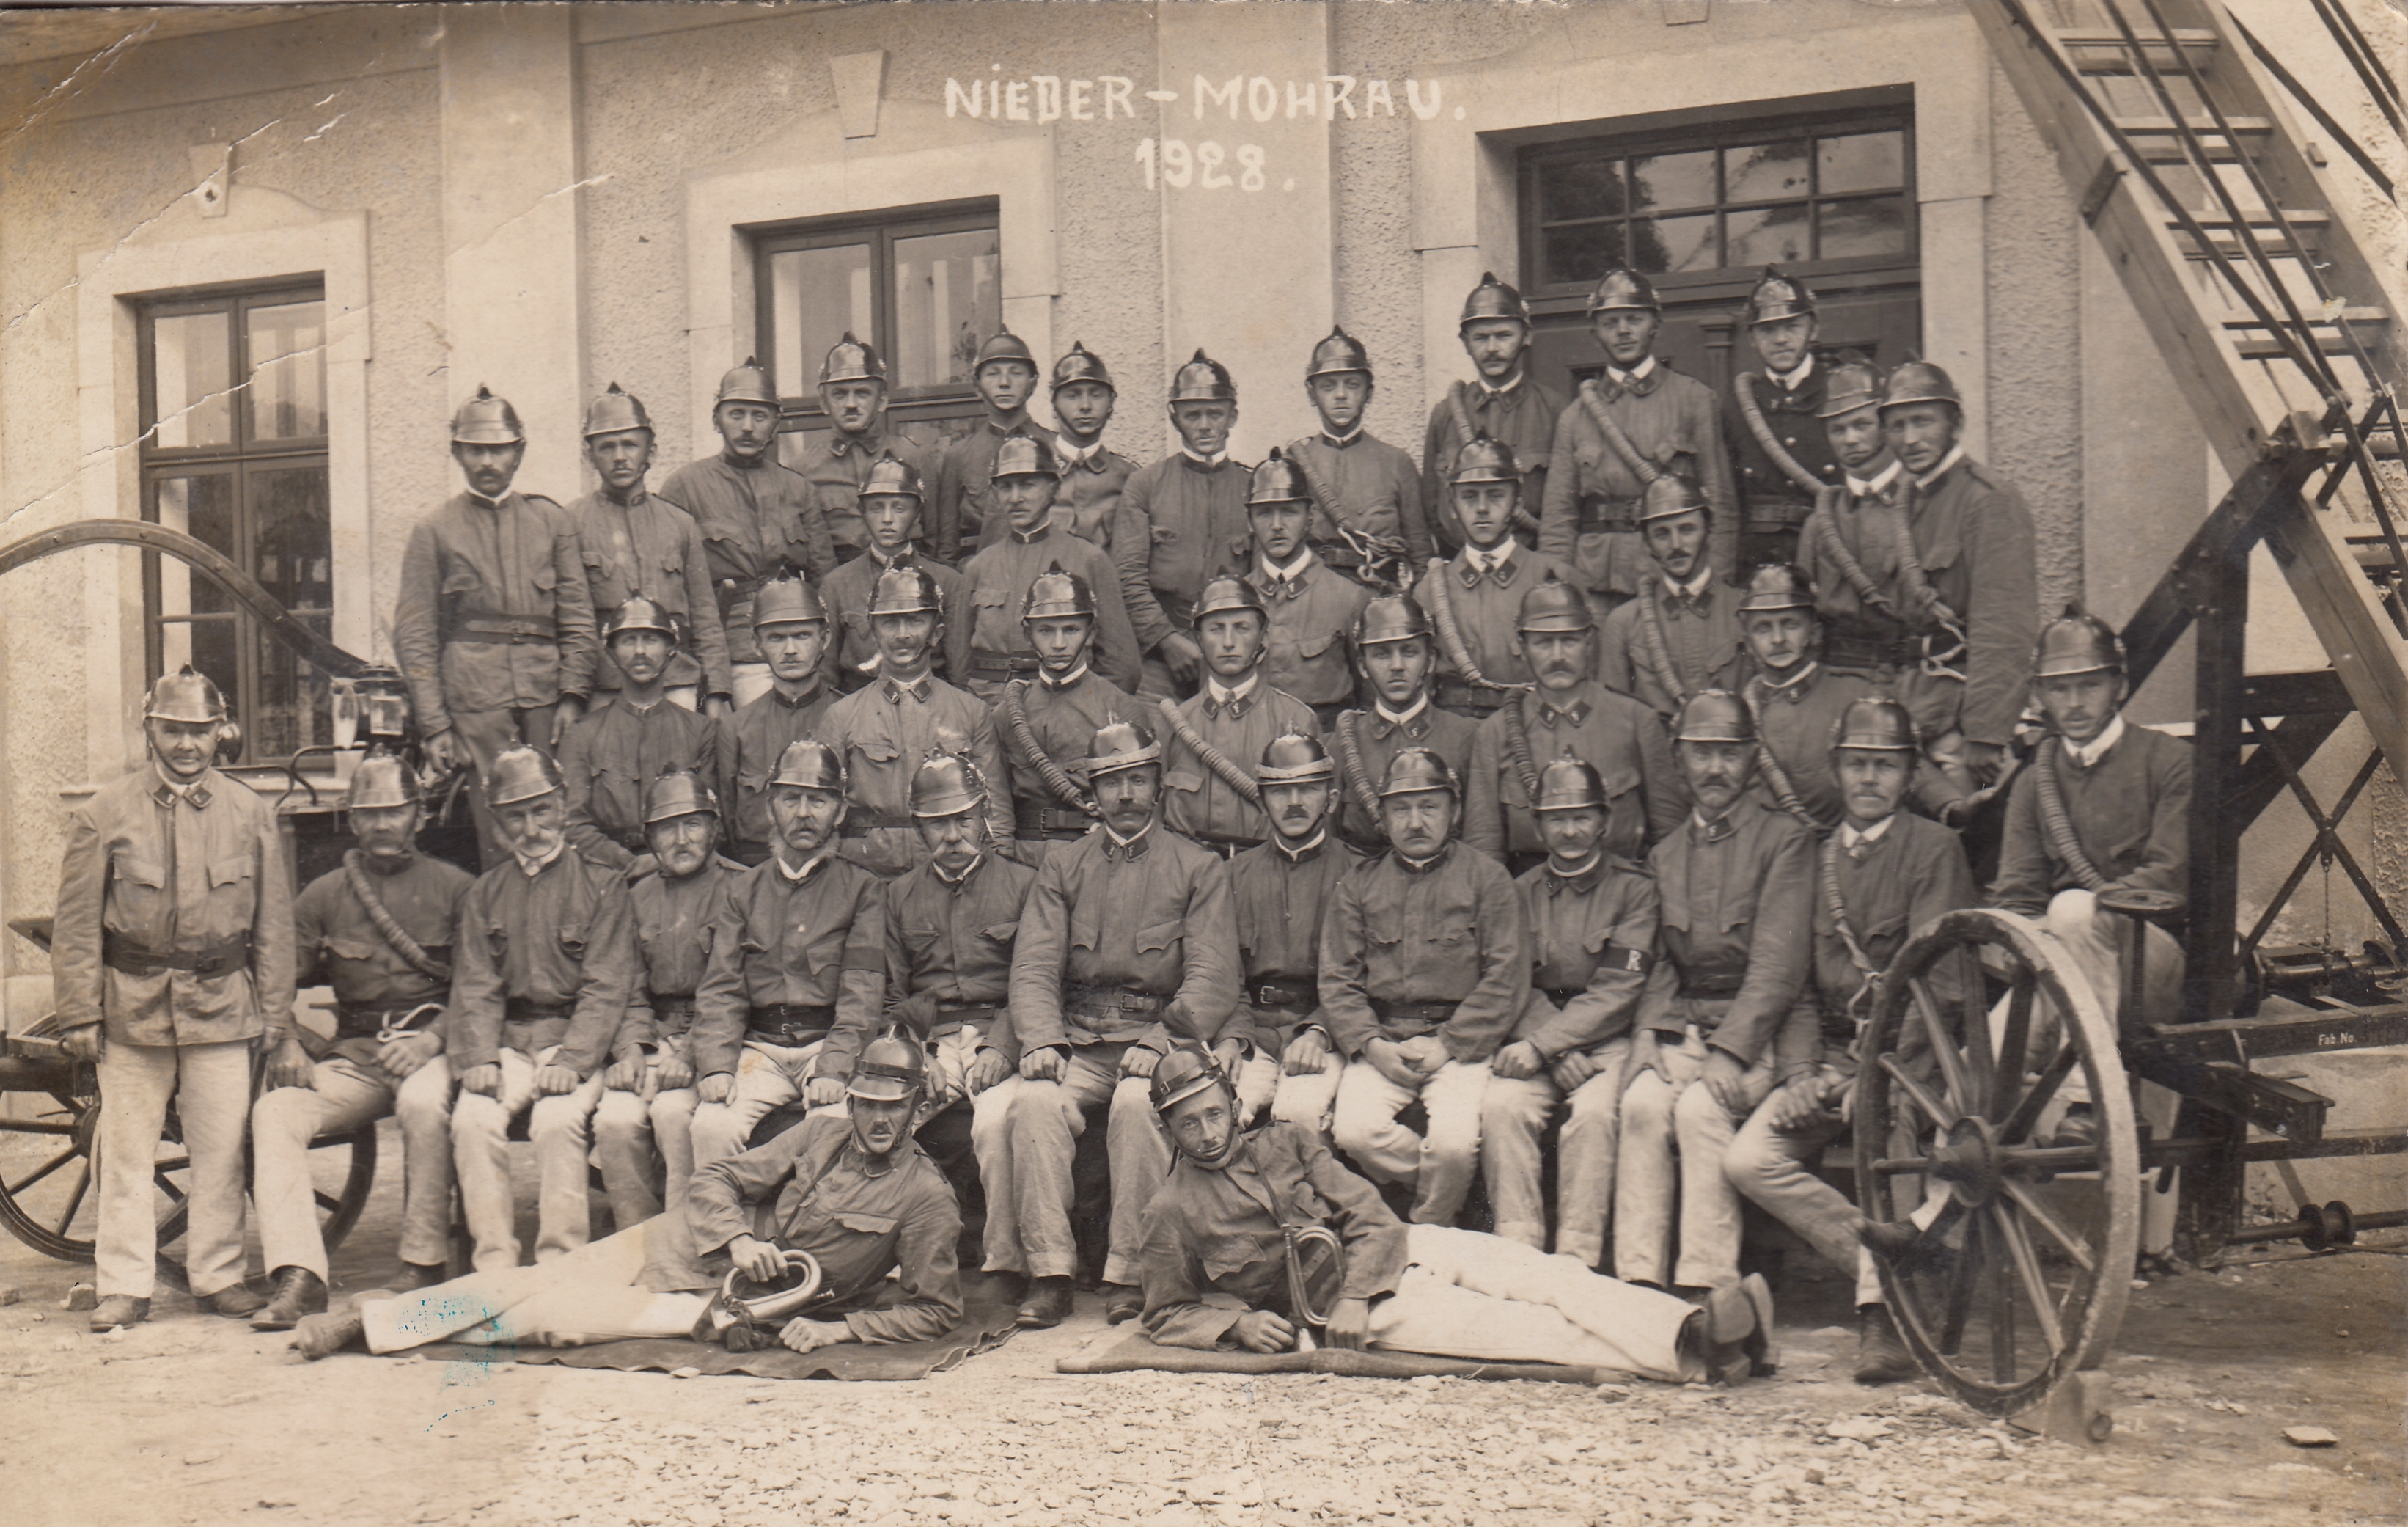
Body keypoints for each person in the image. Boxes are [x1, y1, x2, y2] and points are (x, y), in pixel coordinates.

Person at [294, 1033, 961, 1360]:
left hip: (736, 1304)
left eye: (894, 1106)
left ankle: (383, 1323)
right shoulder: (821, 1132)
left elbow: (937, 1310)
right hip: (696, 1242)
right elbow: (717, 1179)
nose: (879, 1119)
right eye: (868, 1103)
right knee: (538, 1276)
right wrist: (737, 1238)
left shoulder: (927, 1197)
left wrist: (838, 1327)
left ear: (916, 1109)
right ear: (852, 1099)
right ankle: (373, 1323)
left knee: (550, 1318)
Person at [1135, 1049, 1767, 1383]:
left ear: (1235, 1103)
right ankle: (1694, 1349)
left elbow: (1369, 1212)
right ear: (1167, 1131)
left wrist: (1358, 1290)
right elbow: (1165, 1312)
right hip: (1342, 1313)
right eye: (1188, 1124)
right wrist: (1241, 1325)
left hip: (1397, 1249)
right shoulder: (1169, 1210)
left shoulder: (1288, 1141)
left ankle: (1693, 1319)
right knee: (1522, 1329)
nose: (1208, 1133)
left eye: (1214, 1113)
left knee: (1544, 1274)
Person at [1724, 695, 1974, 1385]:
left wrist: (1876, 1073)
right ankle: (1912, 1263)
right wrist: (1803, 1072)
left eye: (1885, 766)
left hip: (1913, 1056)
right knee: (1749, 1160)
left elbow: (1939, 985)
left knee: (1884, 1126)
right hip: (1832, 1055)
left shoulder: (1935, 849)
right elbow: (1798, 983)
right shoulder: (1814, 857)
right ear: (1835, 770)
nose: (1869, 778)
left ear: (1910, 775)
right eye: (1857, 764)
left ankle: (1882, 1317)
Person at [54, 667, 296, 1330]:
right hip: (132, 1010)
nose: (187, 745)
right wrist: (79, 1012)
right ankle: (124, 1285)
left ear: (221, 733)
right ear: (149, 731)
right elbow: (76, 925)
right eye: (173, 730)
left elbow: (274, 925)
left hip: (222, 1007)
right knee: (126, 1154)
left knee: (221, 1152)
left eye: (200, 731)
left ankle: (218, 1276)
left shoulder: (250, 814)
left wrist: (277, 1016)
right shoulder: (106, 813)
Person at [997, 721, 1241, 1328]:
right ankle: (1050, 1273)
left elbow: (1212, 976)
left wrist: (1162, 1042)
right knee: (1033, 1105)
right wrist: (1042, 1039)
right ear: (1093, 791)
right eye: (1111, 783)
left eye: (1137, 780)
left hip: (1159, 1042)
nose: (1126, 795)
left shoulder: (1197, 866)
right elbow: (1034, 966)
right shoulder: (1064, 866)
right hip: (1079, 1041)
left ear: (1158, 785)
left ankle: (1131, 1273)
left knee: (1137, 1107)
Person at [249, 749, 470, 1328]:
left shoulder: (457, 889)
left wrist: (432, 1041)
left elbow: (481, 985)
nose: (383, 824)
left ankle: (422, 1264)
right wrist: (287, 1040)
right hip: (359, 1057)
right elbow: (275, 976)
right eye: (370, 813)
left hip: (434, 1053)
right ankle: (300, 1277)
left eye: (395, 811)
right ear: (351, 820)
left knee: (423, 1103)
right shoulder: (324, 895)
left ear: (420, 814)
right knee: (276, 1112)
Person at [1614, 692, 1814, 1297]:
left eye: (1729, 754)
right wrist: (1647, 1032)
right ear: (1680, 761)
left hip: (1759, 1035)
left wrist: (1730, 1051)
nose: (1715, 769)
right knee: (1641, 1104)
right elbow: (1658, 960)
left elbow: (1778, 968)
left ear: (1752, 758)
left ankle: (1709, 1289)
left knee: (1702, 1110)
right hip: (1683, 1027)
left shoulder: (1784, 840)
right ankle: (1639, 1284)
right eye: (1701, 754)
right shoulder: (1666, 854)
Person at [447, 746, 640, 1273]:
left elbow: (606, 986)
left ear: (563, 804)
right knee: (471, 1119)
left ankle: (562, 1266)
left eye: (541, 810)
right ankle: (494, 1269)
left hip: (572, 1041)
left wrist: (573, 1062)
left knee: (557, 1121)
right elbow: (475, 985)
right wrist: (480, 1058)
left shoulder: (603, 885)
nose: (531, 828)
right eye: (516, 816)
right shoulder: (485, 893)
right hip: (510, 1043)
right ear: (497, 822)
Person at [392, 386, 598, 867]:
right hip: (476, 702)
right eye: (475, 450)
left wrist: (573, 695)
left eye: (499, 449)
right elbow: (415, 634)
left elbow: (577, 617)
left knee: (561, 816)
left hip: (547, 697)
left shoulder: (552, 522)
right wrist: (436, 724)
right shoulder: (434, 530)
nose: (487, 461)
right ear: (457, 453)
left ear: (519, 452)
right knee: (501, 830)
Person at [1322, 748, 1529, 1228]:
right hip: (1384, 1039)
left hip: (1460, 1045)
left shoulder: (1488, 880)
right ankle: (1452, 1195)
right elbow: (1338, 979)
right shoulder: (1358, 885)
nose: (1415, 822)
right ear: (1384, 817)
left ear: (1454, 811)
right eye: (1401, 809)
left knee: (1454, 1145)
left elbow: (1506, 978)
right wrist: (1372, 1046)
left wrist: (1448, 1045)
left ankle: (1429, 1230)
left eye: (1429, 807)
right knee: (1354, 1132)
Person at [1478, 752, 1659, 1264]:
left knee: (1595, 1115)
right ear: (1538, 827)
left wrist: (1547, 1046)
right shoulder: (1517, 893)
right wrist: (1549, 1050)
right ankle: (1518, 1254)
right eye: (1557, 819)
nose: (1571, 830)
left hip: (1608, 1041)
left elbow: (1621, 986)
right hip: (1534, 1036)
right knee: (1502, 1108)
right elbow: (1508, 980)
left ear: (1605, 821)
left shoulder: (1634, 890)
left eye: (1582, 817)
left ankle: (1577, 1259)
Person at [1989, 609, 2189, 1062]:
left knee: (2074, 909)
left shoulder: (2169, 761)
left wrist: (2082, 917)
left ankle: (2084, 1087)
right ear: (2040, 695)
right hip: (2067, 965)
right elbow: (2019, 893)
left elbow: (2169, 876)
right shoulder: (2033, 782)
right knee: (1982, 1065)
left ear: (2120, 686)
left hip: (2151, 960)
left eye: (2091, 686)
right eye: (2059, 689)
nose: (2075, 703)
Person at [688, 739, 889, 1170]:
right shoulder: (743, 891)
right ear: (770, 808)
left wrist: (834, 1067)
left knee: (834, 1125)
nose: (803, 813)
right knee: (711, 1126)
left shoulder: (863, 890)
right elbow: (721, 989)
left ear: (840, 811)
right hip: (759, 1051)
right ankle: (722, 1217)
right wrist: (717, 1066)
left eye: (818, 801)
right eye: (791, 799)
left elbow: (863, 995)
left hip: (826, 1044)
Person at [1862, 361, 2038, 800]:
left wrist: (1986, 732)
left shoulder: (1987, 500)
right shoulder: (1904, 502)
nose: (1910, 439)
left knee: (1969, 828)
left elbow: (2004, 628)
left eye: (1923, 421)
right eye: (1897, 425)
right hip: (1913, 711)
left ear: (1955, 424)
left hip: (1963, 722)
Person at [592, 772, 743, 1231]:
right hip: (655, 1037)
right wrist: (631, 1049)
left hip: (718, 1039)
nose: (681, 840)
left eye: (693, 825)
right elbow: (626, 986)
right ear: (650, 839)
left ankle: (682, 1239)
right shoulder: (636, 895)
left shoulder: (741, 888)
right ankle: (635, 1238)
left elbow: (735, 988)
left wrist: (692, 1052)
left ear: (714, 828)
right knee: (615, 1120)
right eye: (667, 828)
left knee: (673, 1113)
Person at [1540, 268, 1736, 620]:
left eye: (1634, 319)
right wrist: (1561, 594)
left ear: (1655, 324)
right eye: (1610, 322)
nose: (1623, 331)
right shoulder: (1575, 417)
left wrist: (1714, 586)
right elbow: (1558, 519)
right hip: (1596, 584)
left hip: (1673, 579)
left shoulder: (1694, 400)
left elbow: (1720, 503)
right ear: (1595, 332)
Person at [1464, 571, 1683, 876]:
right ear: (1522, 647)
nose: (1558, 656)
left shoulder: (1636, 720)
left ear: (1589, 642)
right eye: (1543, 643)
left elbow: (1670, 839)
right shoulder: (1495, 732)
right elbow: (1484, 849)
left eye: (1569, 641)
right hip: (1529, 892)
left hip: (1620, 888)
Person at [658, 356, 837, 707]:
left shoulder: (798, 489)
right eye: (736, 414)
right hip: (731, 648)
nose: (747, 427)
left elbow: (824, 582)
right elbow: (672, 590)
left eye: (760, 416)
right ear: (716, 420)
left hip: (795, 642)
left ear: (776, 424)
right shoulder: (684, 487)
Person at [819, 564, 1013, 881]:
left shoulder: (972, 711)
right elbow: (823, 814)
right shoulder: (841, 716)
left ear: (937, 633)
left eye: (915, 620)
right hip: (868, 877)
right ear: (873, 632)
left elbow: (997, 813)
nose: (903, 635)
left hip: (950, 876)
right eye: (890, 622)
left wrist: (996, 878)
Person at [883, 751, 1035, 1131]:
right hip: (932, 1043)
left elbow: (1036, 982)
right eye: (937, 824)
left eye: (964, 820)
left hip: (1000, 1034)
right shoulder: (899, 895)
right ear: (918, 828)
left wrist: (1002, 1047)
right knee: (889, 1119)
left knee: (997, 1123)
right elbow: (891, 995)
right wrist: (915, 1053)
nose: (952, 836)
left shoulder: (1024, 886)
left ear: (985, 816)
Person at [1226, 735, 1366, 1135]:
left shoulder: (1360, 874)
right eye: (1279, 791)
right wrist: (1234, 1037)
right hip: (1250, 1032)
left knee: (1298, 1115)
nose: (1294, 802)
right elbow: (1222, 973)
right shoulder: (1232, 875)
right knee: (1216, 1113)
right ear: (1261, 802)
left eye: (1307, 789)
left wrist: (1320, 1032)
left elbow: (1369, 975)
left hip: (1322, 1031)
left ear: (1331, 799)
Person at [569, 382, 733, 714]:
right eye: (606, 447)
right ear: (589, 455)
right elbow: (571, 622)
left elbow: (705, 618)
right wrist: (573, 694)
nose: (619, 457)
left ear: (651, 452)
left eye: (630, 445)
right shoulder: (571, 524)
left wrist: (716, 692)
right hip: (606, 685)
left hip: (677, 682)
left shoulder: (680, 524)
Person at [946, 432, 1143, 698]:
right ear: (995, 494)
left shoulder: (1090, 559)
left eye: (1027, 485)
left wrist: (1089, 709)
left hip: (1065, 700)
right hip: (990, 704)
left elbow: (1122, 666)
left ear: (1054, 489)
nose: (1015, 498)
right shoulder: (979, 567)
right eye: (1006, 487)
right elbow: (960, 665)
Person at [1112, 349, 1252, 700]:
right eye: (1192, 415)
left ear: (1232, 416)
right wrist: (1167, 640)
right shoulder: (1146, 485)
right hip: (1161, 657)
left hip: (1238, 650)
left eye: (1214, 414)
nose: (1204, 425)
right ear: (1175, 419)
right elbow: (1128, 577)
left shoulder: (1253, 488)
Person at [557, 597, 727, 872]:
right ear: (611, 652)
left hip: (684, 870)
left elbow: (714, 819)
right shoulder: (582, 734)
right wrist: (627, 863)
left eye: (650, 640)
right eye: (628, 641)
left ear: (671, 649)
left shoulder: (700, 731)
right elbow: (572, 822)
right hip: (607, 872)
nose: (640, 651)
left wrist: (663, 861)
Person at [1156, 576, 1321, 856]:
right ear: (1198, 639)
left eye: (1242, 628)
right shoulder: (1173, 722)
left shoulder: (1296, 721)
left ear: (1263, 637)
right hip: (1187, 872)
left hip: (1265, 870)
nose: (1229, 642)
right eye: (1216, 629)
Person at [1420, 433, 1579, 719]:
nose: (1482, 508)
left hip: (1533, 725)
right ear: (1452, 506)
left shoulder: (1554, 579)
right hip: (1459, 727)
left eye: (1495, 495)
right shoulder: (1430, 590)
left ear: (1517, 501)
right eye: (1469, 496)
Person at [991, 565, 1142, 863]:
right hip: (1025, 858)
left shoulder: (1121, 708)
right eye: (1046, 630)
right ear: (1028, 634)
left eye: (1071, 629)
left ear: (1091, 632)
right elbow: (998, 803)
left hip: (1096, 857)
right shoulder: (1007, 713)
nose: (1058, 644)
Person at [1421, 273, 1563, 557]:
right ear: (1465, 342)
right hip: (1463, 565)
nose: (1492, 348)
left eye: (1504, 335)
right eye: (1481, 338)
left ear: (1526, 336)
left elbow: (1565, 510)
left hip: (1532, 566)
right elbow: (1431, 504)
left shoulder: (1555, 411)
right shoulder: (1446, 415)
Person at [1326, 594, 1479, 856]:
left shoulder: (1465, 737)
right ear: (1362, 666)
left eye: (1409, 652)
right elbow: (1331, 844)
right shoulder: (1343, 743)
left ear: (1430, 661)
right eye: (1382, 655)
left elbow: (1480, 837)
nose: (1397, 666)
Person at [1733, 563, 1881, 835]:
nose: (1778, 639)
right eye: (1763, 628)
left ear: (1814, 632)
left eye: (1790, 624)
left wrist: (1950, 805)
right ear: (1749, 642)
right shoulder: (1740, 712)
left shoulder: (1855, 695)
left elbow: (1903, 764)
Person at [1282, 326, 1432, 584]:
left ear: (1369, 393)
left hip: (1378, 592)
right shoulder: (1294, 463)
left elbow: (1419, 550)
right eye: (1328, 386)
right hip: (1315, 590)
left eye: (1352, 385)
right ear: (1312, 394)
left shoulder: (1396, 462)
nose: (1341, 395)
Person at [1596, 475, 1750, 720]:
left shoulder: (1745, 611)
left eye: (1687, 530)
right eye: (1662, 534)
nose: (1676, 545)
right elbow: (1614, 721)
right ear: (1647, 543)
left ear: (1708, 532)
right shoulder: (1623, 623)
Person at [816, 453, 966, 692]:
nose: (887, 519)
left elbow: (959, 674)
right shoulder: (837, 584)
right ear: (862, 512)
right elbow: (827, 677)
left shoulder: (948, 581)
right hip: (858, 703)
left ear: (917, 513)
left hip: (930, 700)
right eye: (876, 508)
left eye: (899, 508)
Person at [1242, 449, 1370, 728]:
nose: (1277, 526)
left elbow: (1369, 699)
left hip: (1327, 742)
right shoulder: (1240, 599)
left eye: (1289, 512)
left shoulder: (1349, 598)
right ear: (1249, 521)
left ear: (1310, 516)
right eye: (1264, 514)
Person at [1725, 269, 1843, 570]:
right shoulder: (1738, 406)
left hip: (1831, 554)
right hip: (1762, 561)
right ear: (1751, 338)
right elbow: (1728, 499)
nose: (1780, 339)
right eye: (1767, 330)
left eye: (1792, 327)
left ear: (1813, 329)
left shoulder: (1841, 389)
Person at [719, 573, 838, 866]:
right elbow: (726, 822)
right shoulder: (736, 728)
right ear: (756, 645)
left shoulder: (847, 716)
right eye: (776, 638)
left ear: (824, 639)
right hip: (755, 869)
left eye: (802, 635)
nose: (790, 650)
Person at [790, 333, 934, 567]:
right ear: (824, 403)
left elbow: (934, 537)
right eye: (840, 394)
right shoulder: (803, 469)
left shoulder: (911, 456)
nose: (851, 404)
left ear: (882, 400)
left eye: (862, 393)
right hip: (839, 579)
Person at [932, 329, 1057, 563]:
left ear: (1032, 384)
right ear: (977, 386)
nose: (1004, 383)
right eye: (993, 374)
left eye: (1016, 373)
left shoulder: (1053, 447)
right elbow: (948, 547)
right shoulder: (958, 455)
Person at [1038, 342, 1141, 552]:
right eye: (1073, 395)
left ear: (1111, 403)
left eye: (1096, 395)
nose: (1085, 406)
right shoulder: (1033, 471)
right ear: (1054, 404)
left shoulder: (1130, 477)